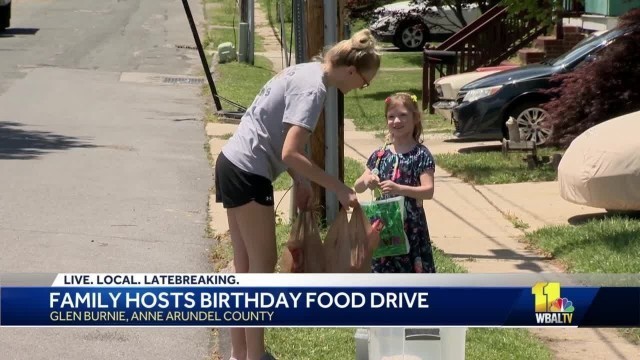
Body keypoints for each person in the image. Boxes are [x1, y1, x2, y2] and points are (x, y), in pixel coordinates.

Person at [214, 29, 381, 360]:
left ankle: (240, 354)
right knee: (259, 273)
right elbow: (291, 151)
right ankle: (255, 356)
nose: (362, 88)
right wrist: (338, 187)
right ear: (351, 71)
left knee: (244, 269)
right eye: (365, 82)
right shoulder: (314, 90)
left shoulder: (305, 70)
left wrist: (301, 182)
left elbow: (277, 132)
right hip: (248, 172)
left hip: (231, 162)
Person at [354, 92, 437, 274]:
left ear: (415, 118)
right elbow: (357, 186)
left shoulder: (420, 155)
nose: (396, 121)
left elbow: (428, 191)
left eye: (402, 115)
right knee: (382, 273)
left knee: (411, 274)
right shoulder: (380, 155)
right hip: (383, 226)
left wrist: (399, 188)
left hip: (411, 226)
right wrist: (367, 180)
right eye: (391, 117)